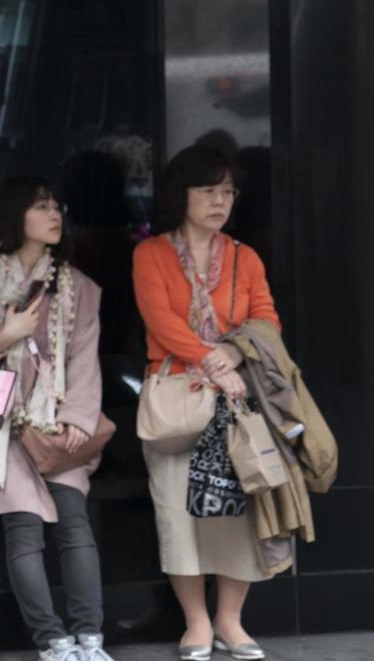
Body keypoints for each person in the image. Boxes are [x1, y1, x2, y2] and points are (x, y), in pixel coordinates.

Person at [0, 177, 114, 661]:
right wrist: (5, 336)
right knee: (22, 529)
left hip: (59, 427)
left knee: (73, 523)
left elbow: (86, 358)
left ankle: (90, 638)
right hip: (0, 427)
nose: (54, 214)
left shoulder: (77, 287)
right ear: (15, 215)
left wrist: (78, 418)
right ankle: (53, 642)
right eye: (41, 206)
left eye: (56, 206)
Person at [132, 145, 278, 661]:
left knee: (238, 512)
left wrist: (231, 356)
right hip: (177, 397)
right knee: (176, 509)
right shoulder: (150, 254)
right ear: (181, 195)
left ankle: (230, 622)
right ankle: (195, 623)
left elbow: (265, 321)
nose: (220, 201)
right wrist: (213, 359)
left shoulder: (246, 257)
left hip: (235, 402)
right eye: (208, 190)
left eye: (228, 191)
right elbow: (161, 321)